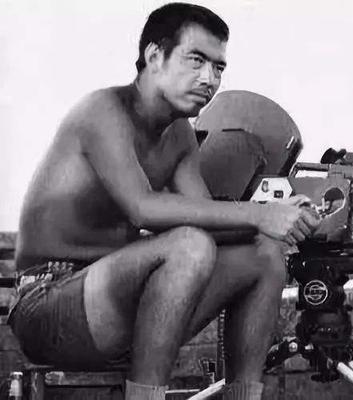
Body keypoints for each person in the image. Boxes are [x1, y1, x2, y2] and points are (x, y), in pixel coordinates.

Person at [9, 3, 319, 400]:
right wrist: (257, 213)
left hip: (119, 304)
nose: (209, 79)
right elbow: (144, 208)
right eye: (196, 60)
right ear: (155, 56)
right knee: (189, 245)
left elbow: (208, 222)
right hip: (47, 304)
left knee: (264, 253)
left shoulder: (180, 135)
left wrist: (286, 217)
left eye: (219, 68)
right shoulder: (101, 111)